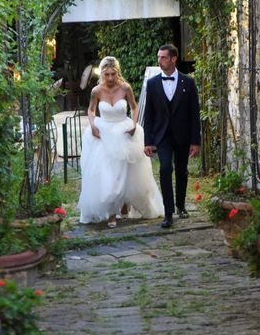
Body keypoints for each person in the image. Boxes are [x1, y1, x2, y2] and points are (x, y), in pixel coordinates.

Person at [78, 56, 164, 227]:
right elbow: (91, 110)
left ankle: (125, 205)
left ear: (118, 73)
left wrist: (134, 124)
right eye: (107, 74)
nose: (110, 78)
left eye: (113, 74)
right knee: (108, 172)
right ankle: (111, 212)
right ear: (102, 74)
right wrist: (93, 125)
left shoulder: (125, 88)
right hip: (104, 133)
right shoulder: (96, 91)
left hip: (124, 130)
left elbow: (134, 107)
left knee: (127, 171)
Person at [143, 44, 201, 228]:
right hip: (162, 137)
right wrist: (148, 142)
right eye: (159, 57)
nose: (160, 61)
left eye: (163, 58)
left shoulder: (188, 82)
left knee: (182, 170)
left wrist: (195, 141)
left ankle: (181, 206)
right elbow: (149, 116)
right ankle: (168, 213)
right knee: (165, 169)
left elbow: (194, 114)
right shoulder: (152, 84)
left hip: (183, 135)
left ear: (173, 59)